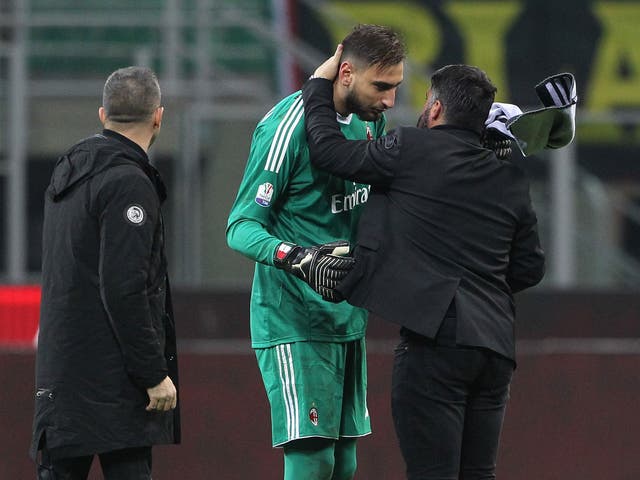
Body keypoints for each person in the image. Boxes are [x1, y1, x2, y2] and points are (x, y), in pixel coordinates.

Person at [301, 46, 546, 479]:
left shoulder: (410, 148)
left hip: (436, 341)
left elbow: (328, 152)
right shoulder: (509, 177)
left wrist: (319, 87)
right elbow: (529, 268)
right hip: (495, 348)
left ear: (434, 108)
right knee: (479, 474)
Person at [226, 25, 406, 480]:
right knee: (313, 458)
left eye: (396, 88)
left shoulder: (371, 122)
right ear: (345, 73)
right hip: (293, 317)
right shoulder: (286, 125)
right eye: (381, 87)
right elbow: (241, 227)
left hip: (346, 317)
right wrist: (300, 259)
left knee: (344, 462)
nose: (389, 101)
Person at [30, 66, 180, 480]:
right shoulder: (128, 182)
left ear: (102, 115)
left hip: (62, 377)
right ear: (158, 117)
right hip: (114, 386)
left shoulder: (67, 176)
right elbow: (123, 286)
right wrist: (153, 374)